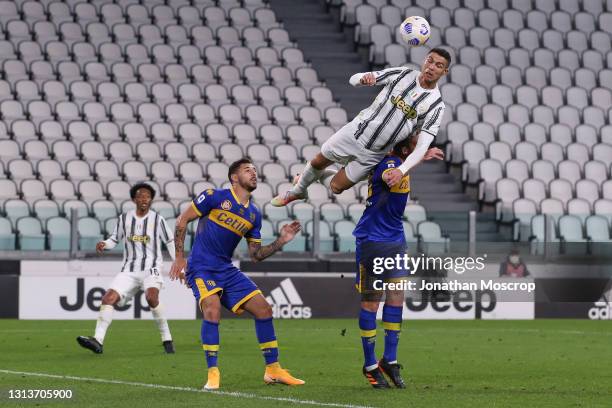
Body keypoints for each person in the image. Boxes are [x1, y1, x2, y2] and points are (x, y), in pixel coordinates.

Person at [169, 158, 305, 390]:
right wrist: (180, 258)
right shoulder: (214, 196)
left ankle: (273, 370)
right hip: (201, 266)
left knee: (264, 308)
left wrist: (282, 241)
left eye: (254, 169)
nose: (253, 173)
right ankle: (213, 373)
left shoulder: (253, 214)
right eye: (247, 170)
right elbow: (183, 220)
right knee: (211, 308)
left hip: (226, 269)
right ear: (234, 177)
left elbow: (256, 255)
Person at [271, 48, 450, 207]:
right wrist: (363, 79)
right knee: (318, 161)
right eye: (430, 61)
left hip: (375, 153)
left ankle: (306, 177)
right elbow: (353, 79)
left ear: (444, 71)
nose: (432, 67)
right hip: (356, 132)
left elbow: (421, 145)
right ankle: (298, 191)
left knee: (336, 187)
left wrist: (402, 169)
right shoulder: (403, 74)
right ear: (424, 60)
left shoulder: (436, 106)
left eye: (439, 65)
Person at [355, 136, 443, 389]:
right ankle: (370, 364)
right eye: (417, 145)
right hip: (373, 239)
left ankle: (389, 360)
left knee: (396, 298)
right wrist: (414, 161)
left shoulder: (401, 161)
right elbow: (390, 176)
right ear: (405, 149)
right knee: (372, 303)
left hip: (395, 239)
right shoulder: (389, 164)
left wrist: (418, 157)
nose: (422, 146)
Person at [77, 183, 176, 354]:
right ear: (134, 199)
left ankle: (167, 339)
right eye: (140, 195)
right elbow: (115, 239)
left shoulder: (157, 220)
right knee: (108, 298)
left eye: (147, 196)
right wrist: (104, 244)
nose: (144, 198)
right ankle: (98, 341)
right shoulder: (124, 218)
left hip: (151, 268)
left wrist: (178, 262)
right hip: (129, 269)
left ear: (151, 200)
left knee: (152, 297)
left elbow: (169, 241)